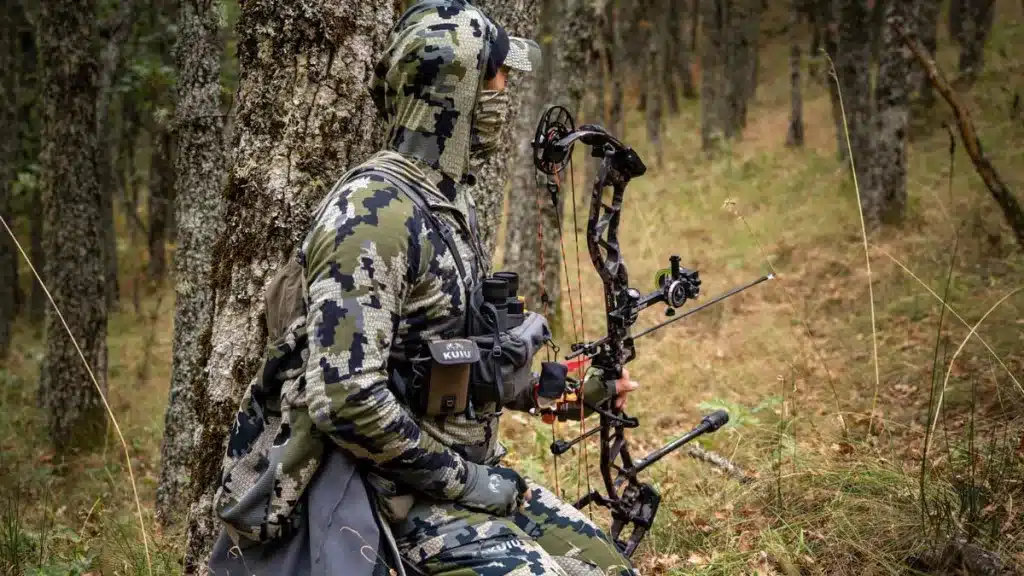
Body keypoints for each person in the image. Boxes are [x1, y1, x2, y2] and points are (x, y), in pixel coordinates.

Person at [208, 1, 640, 574]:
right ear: (455, 92)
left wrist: (551, 390)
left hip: (461, 480)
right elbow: (346, 399)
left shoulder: (447, 202)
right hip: (385, 499)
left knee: (609, 566)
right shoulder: (371, 216)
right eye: (496, 76)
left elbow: (443, 359)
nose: (504, 92)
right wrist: (471, 483)